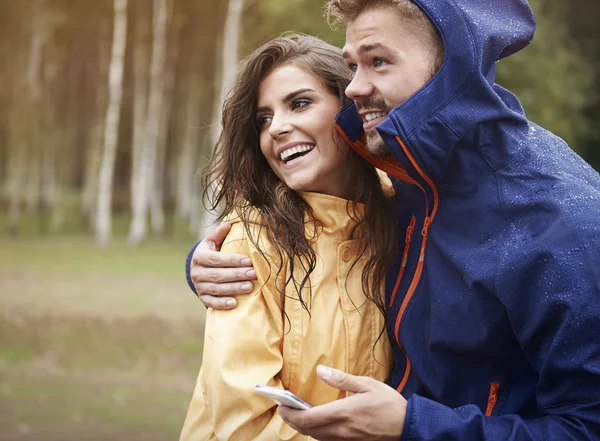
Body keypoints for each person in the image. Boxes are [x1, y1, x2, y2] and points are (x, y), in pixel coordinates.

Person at [186, 0, 600, 440]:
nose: (353, 88)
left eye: (378, 61)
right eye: (352, 65)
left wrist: (413, 426)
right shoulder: (410, 185)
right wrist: (207, 264)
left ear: (451, 64)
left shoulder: (559, 219)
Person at [179, 34, 397, 441]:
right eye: (263, 119)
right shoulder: (251, 240)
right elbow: (244, 420)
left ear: (350, 109)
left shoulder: (405, 217)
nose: (277, 128)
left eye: (299, 103)